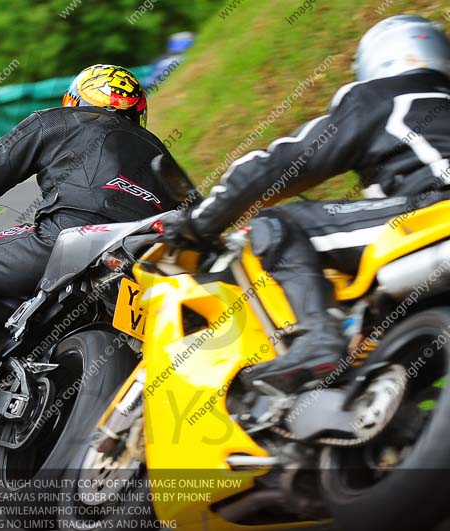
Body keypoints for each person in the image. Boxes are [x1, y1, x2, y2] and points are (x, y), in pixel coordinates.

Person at [165, 15, 450, 392]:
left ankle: (318, 340)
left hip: (433, 209)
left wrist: (200, 223)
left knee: (282, 223)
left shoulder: (383, 96)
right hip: (427, 223)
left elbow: (280, 164)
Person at [0, 64, 190, 389]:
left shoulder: (58, 121)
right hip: (147, 263)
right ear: (137, 112)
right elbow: (196, 218)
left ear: (75, 99)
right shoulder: (161, 153)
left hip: (71, 238)